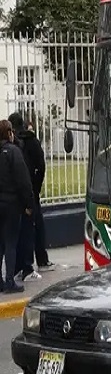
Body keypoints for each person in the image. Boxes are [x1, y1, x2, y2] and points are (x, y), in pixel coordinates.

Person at [9, 113, 53, 280]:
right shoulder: (30, 142)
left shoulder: (11, 145)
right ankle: (31, 265)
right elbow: (40, 167)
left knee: (14, 235)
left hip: (14, 196)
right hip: (29, 193)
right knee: (30, 228)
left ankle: (16, 269)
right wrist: (35, 189)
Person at [0, 119, 35, 293]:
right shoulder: (13, 152)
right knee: (10, 243)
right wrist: (29, 203)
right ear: (9, 133)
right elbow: (24, 181)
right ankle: (9, 282)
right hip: (12, 205)